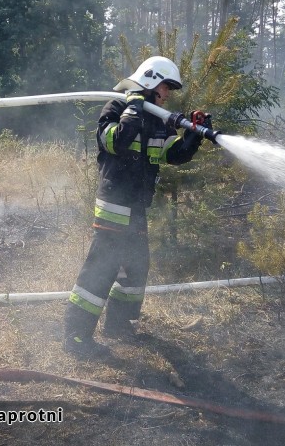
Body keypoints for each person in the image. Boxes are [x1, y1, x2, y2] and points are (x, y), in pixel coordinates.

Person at [64, 55, 213, 357]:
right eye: (165, 87)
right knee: (100, 271)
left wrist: (195, 134)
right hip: (114, 207)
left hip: (136, 211)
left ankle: (118, 326)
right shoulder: (116, 109)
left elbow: (175, 154)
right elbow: (117, 142)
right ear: (149, 82)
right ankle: (75, 337)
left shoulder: (156, 120)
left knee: (135, 268)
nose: (168, 94)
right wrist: (133, 106)